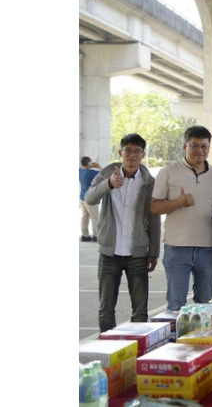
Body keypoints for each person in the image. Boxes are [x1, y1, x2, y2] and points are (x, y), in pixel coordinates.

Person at [84, 134, 161, 332]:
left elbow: (153, 218)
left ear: (143, 154)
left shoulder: (149, 182)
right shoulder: (109, 173)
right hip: (109, 253)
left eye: (137, 151)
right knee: (106, 309)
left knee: (140, 310)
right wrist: (109, 183)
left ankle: (137, 352)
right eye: (128, 150)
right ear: (121, 152)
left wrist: (153, 252)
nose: (132, 155)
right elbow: (90, 198)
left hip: (137, 254)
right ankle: (109, 353)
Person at [150, 126, 212, 311]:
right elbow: (154, 207)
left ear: (209, 148)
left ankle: (204, 341)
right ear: (185, 146)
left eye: (204, 146)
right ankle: (179, 340)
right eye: (194, 145)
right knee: (176, 305)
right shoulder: (168, 172)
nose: (199, 150)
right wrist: (178, 202)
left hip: (207, 249)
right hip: (177, 249)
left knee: (206, 304)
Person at [80, 157, 102, 242]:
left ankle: (85, 235)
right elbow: (104, 174)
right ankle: (96, 235)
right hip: (91, 198)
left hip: (82, 197)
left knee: (84, 217)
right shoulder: (92, 173)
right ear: (89, 163)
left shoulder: (80, 171)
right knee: (94, 217)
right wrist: (98, 166)